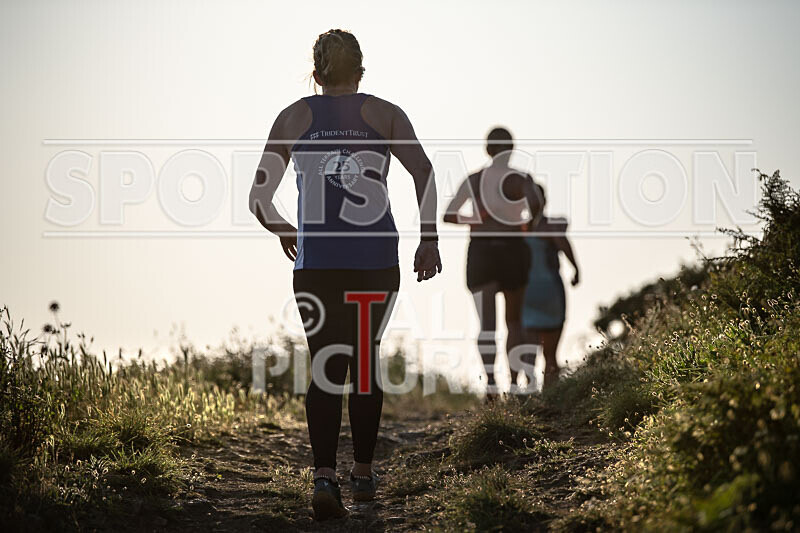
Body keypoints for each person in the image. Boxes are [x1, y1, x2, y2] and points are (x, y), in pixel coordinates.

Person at [248, 29, 442, 521]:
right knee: (363, 359)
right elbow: (423, 172)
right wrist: (430, 239)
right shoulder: (384, 113)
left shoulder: (293, 116)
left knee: (325, 366)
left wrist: (284, 229)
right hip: (374, 261)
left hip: (315, 264)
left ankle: (323, 477)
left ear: (315, 75)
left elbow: (257, 198)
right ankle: (362, 474)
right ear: (361, 71)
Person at [443, 127, 542, 401]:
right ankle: (513, 382)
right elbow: (536, 202)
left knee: (487, 325)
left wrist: (477, 218)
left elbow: (449, 215)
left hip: (483, 251)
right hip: (513, 249)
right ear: (510, 149)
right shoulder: (521, 179)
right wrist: (528, 225)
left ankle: (490, 384)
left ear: (488, 150)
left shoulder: (475, 180)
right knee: (515, 321)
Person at [523, 184, 580, 390]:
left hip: (528, 293)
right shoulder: (551, 226)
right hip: (548, 292)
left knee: (529, 350)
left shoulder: (517, 228)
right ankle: (550, 396)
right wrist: (576, 270)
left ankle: (530, 394)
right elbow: (564, 245)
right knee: (550, 354)